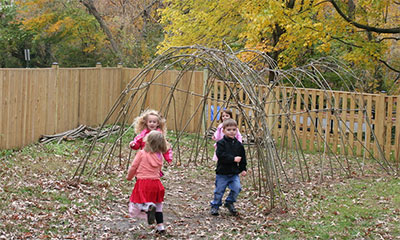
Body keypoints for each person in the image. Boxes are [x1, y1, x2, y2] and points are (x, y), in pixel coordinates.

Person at [127, 130, 168, 234]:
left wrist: (129, 176)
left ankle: (147, 206)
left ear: (147, 141)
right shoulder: (160, 155)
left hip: (143, 182)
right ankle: (160, 227)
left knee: (137, 201)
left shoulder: (141, 153)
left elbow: (133, 166)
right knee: (158, 206)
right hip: (156, 184)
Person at [210, 118, 247, 216]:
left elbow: (243, 158)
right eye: (229, 130)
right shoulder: (221, 143)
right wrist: (233, 159)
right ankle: (215, 206)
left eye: (234, 130)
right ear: (223, 131)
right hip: (222, 173)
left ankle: (229, 202)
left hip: (234, 173)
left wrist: (243, 168)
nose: (231, 132)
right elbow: (221, 156)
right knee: (219, 191)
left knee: (237, 188)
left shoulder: (239, 145)